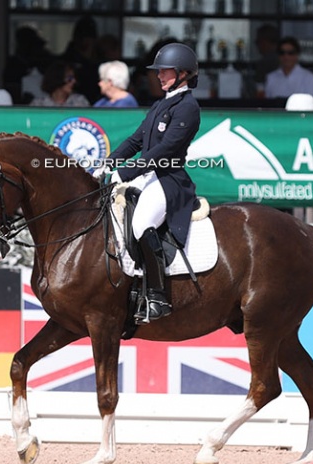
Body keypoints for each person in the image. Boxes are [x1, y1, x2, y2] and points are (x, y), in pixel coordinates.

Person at [93, 43, 201, 324]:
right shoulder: (160, 104)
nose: (159, 76)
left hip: (170, 181)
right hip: (149, 176)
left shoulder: (188, 107)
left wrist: (125, 173)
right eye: (159, 71)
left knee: (141, 224)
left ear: (183, 74)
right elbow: (136, 140)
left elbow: (164, 151)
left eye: (165, 71)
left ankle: (157, 296)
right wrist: (109, 162)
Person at [3, 26, 53, 104]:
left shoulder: (46, 62)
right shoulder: (14, 66)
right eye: (33, 45)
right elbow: (11, 90)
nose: (39, 50)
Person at [264, 36, 313, 101]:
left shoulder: (309, 77)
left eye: (290, 53)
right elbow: (267, 104)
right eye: (282, 53)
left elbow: (312, 103)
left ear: (297, 55)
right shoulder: (271, 78)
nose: (286, 56)